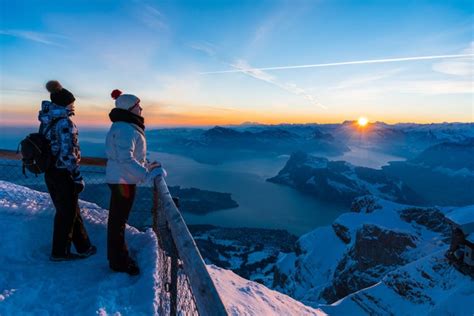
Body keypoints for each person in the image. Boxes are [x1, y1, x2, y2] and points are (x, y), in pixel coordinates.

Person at [39, 80, 96, 261]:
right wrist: (77, 177)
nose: (73, 105)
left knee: (70, 211)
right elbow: (67, 154)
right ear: (65, 103)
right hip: (63, 173)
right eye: (72, 102)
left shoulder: (47, 120)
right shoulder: (65, 123)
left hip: (50, 171)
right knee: (66, 213)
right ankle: (59, 252)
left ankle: (84, 247)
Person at [105, 89, 160, 275]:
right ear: (130, 108)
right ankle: (119, 262)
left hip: (122, 178)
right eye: (138, 106)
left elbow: (129, 157)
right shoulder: (125, 129)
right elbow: (125, 159)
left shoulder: (124, 126)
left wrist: (146, 166)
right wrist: (146, 174)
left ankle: (118, 257)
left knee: (117, 221)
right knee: (118, 222)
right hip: (123, 181)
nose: (141, 108)